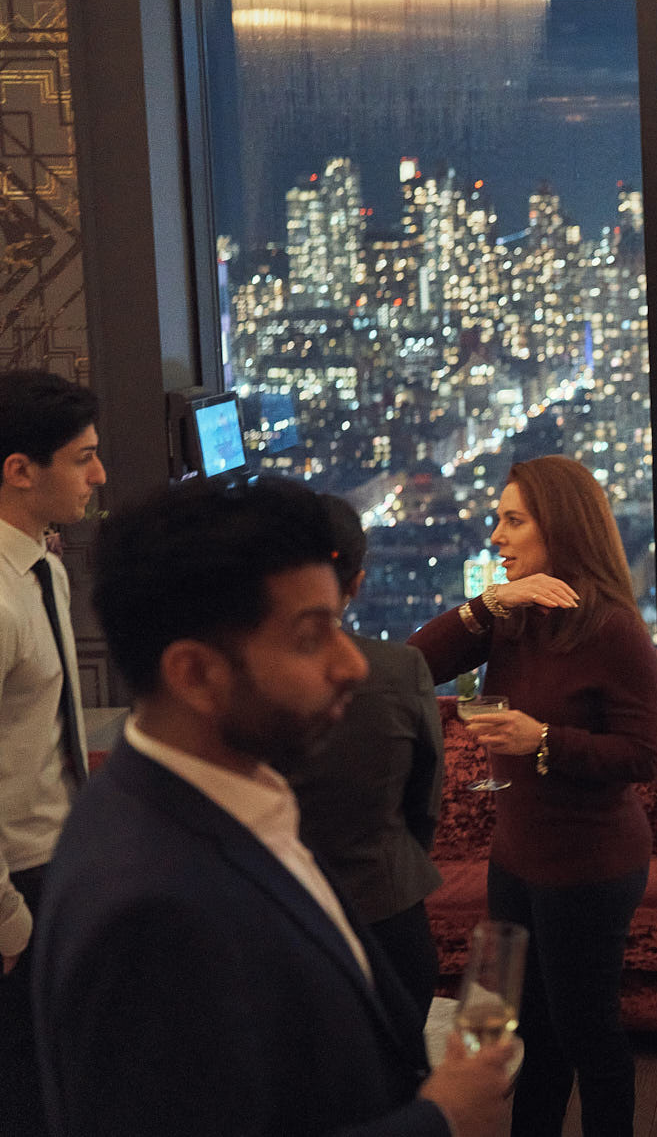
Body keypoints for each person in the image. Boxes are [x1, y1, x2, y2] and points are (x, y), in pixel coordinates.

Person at [33, 475, 513, 1137]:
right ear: (195, 673)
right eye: (311, 636)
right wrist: (443, 1119)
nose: (352, 664)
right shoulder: (149, 912)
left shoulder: (232, 801)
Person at [409, 455, 657, 1137]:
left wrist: (543, 739)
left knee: (588, 1037)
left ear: (560, 528)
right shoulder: (514, 614)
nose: (497, 536)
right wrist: (489, 603)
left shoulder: (612, 628)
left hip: (589, 863)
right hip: (517, 855)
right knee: (533, 1037)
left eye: (513, 521)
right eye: (499, 519)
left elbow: (645, 755)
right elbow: (412, 667)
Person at [286, 493, 446, 1009]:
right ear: (356, 583)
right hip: (389, 911)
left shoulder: (232, 681)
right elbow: (425, 798)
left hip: (280, 917)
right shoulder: (400, 670)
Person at [0, 370, 102, 1136]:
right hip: (14, 884)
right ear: (20, 469)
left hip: (61, 862)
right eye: (83, 457)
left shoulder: (46, 566)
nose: (100, 475)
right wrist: (5, 918)